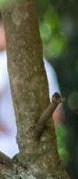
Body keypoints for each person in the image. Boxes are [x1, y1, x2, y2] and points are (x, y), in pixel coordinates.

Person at [0, 16, 62, 158]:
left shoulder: (4, 61)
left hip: (5, 147)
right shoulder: (43, 64)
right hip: (38, 153)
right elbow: (57, 115)